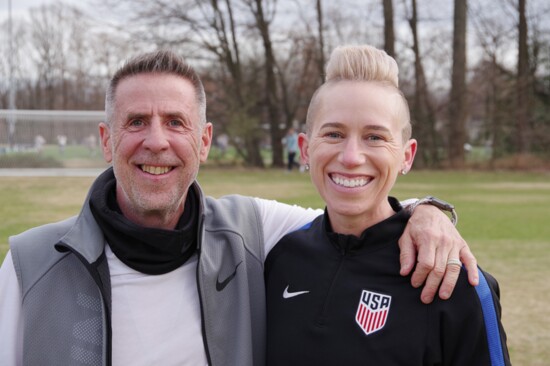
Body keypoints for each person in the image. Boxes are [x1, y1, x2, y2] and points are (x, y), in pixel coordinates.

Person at [0, 50, 477, 366]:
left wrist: (426, 212)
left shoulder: (251, 231)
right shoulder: (31, 264)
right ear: (107, 140)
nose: (157, 141)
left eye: (176, 122)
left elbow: (354, 215)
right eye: (137, 122)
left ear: (204, 141)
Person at [265, 45, 510, 365]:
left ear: (406, 156)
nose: (351, 157)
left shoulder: (457, 283)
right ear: (305, 149)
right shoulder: (279, 257)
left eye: (375, 137)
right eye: (334, 134)